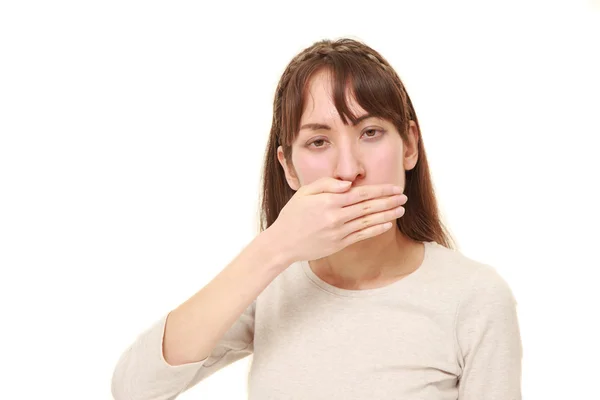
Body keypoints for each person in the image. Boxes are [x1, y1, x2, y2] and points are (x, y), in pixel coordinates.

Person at [111, 37, 522, 400]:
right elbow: (135, 388)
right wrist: (274, 247)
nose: (348, 168)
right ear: (289, 168)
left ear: (410, 145)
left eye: (371, 132)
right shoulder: (271, 284)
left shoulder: (475, 296)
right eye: (318, 141)